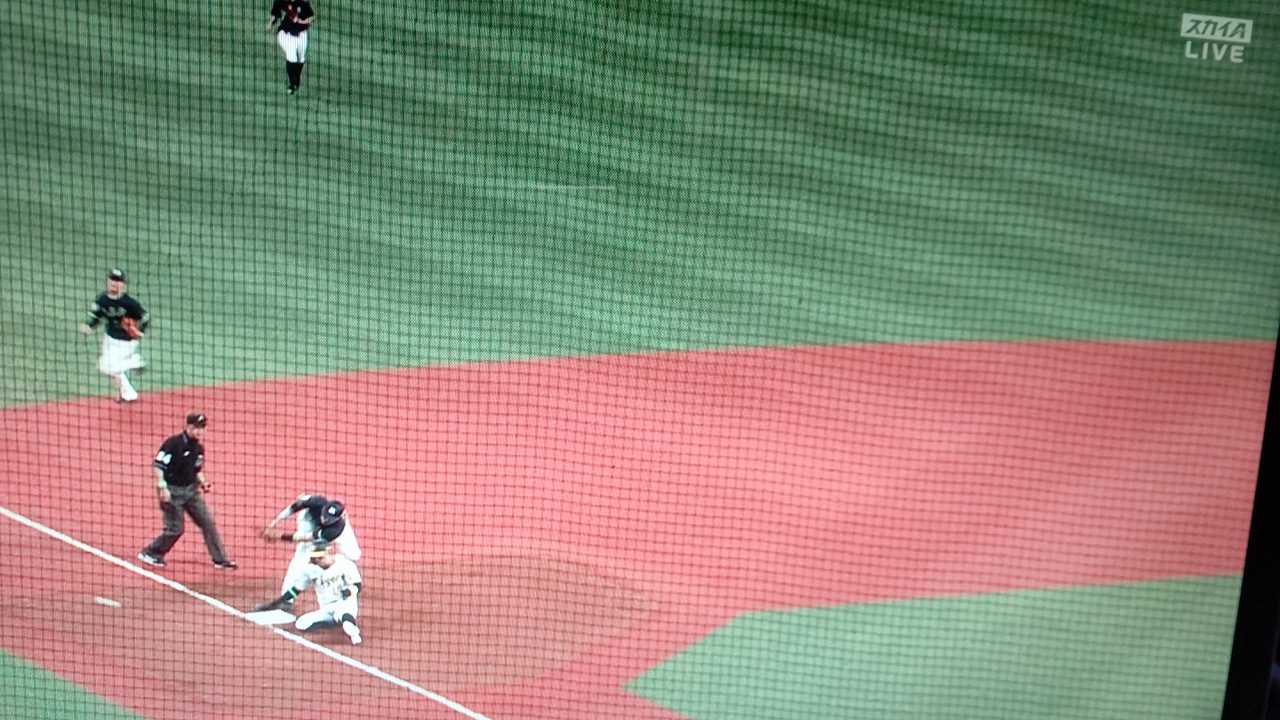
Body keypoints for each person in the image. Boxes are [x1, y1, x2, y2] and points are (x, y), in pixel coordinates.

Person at [138, 412, 238, 570]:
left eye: (202, 428)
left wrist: (203, 482)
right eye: (196, 427)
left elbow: (196, 470)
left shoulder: (198, 449)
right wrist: (162, 486)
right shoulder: (173, 444)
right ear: (188, 427)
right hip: (172, 491)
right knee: (176, 529)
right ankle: (151, 552)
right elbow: (158, 466)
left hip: (191, 492)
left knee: (208, 523)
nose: (199, 431)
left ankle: (220, 559)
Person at [257, 493, 361, 609]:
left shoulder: (333, 530)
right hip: (310, 522)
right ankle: (287, 601)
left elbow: (304, 537)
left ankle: (350, 584)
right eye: (325, 516)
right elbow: (294, 507)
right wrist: (273, 523)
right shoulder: (317, 502)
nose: (325, 520)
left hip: (321, 533)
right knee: (299, 560)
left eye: (329, 519)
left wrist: (279, 536)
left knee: (354, 555)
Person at [257, 545, 363, 645]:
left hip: (345, 603)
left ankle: (354, 635)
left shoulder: (344, 564)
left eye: (320, 558)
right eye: (315, 559)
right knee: (301, 624)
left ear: (328, 553)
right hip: (326, 608)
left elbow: (357, 585)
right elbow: (296, 590)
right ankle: (335, 621)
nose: (318, 561)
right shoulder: (311, 570)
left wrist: (350, 591)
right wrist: (275, 603)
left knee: (347, 624)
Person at [78, 268, 149, 403]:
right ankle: (128, 394)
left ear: (123, 285)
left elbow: (145, 317)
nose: (114, 283)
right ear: (107, 281)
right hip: (109, 339)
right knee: (113, 369)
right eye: (112, 280)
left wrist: (141, 331)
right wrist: (89, 326)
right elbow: (95, 316)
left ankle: (135, 361)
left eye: (118, 281)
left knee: (105, 366)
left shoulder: (129, 303)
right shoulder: (102, 300)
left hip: (127, 342)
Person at [267, 0, 315, 94]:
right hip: (285, 33)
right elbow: (276, 13)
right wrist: (270, 23)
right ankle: (292, 84)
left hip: (301, 34)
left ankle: (296, 81)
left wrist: (302, 21)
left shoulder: (303, 3)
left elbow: (312, 17)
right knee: (292, 55)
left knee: (301, 58)